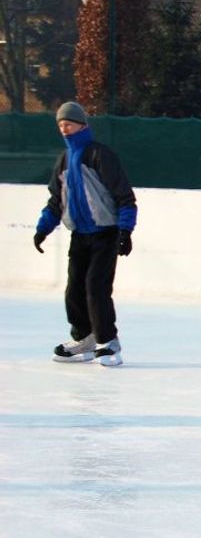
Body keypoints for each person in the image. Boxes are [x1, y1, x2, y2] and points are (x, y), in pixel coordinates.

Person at [33, 102, 137, 367]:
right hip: (79, 235)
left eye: (68, 123)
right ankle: (85, 339)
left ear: (82, 125)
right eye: (60, 125)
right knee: (74, 290)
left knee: (96, 287)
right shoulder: (64, 160)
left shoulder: (99, 155)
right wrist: (43, 228)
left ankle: (108, 341)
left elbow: (125, 197)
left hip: (106, 233)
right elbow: (56, 201)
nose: (64, 128)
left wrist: (125, 231)